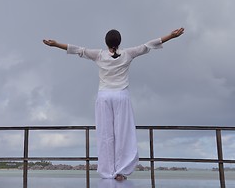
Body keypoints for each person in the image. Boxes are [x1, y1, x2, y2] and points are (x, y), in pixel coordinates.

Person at [43, 28, 185, 181]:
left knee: (105, 134)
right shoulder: (128, 53)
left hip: (104, 96)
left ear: (106, 42)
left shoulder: (99, 54)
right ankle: (121, 171)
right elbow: (148, 45)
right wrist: (171, 36)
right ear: (119, 42)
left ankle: (107, 171)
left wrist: (56, 44)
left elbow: (78, 49)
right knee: (123, 133)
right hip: (121, 96)